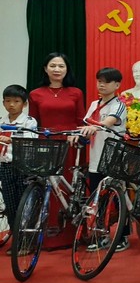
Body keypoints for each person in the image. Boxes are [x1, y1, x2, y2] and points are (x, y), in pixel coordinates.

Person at [28, 52, 85, 248]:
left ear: (67, 69)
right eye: (52, 66)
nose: (57, 69)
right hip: (46, 145)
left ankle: (71, 235)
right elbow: (33, 123)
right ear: (45, 69)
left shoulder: (76, 92)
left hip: (70, 144)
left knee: (68, 188)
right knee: (47, 187)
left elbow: (80, 120)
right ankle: (48, 236)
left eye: (61, 66)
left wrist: (76, 134)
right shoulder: (35, 94)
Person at [79, 68, 129, 251]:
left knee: (117, 198)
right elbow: (85, 124)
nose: (101, 85)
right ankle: (102, 235)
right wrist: (78, 134)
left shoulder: (119, 105)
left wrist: (96, 127)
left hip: (113, 158)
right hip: (95, 158)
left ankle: (123, 236)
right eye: (99, 81)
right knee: (98, 200)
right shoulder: (94, 104)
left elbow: (109, 121)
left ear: (117, 85)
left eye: (106, 82)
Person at [0, 85, 38, 247]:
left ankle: (27, 240)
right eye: (8, 101)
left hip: (23, 166)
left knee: (25, 204)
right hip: (5, 165)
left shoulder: (29, 121)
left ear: (24, 104)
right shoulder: (1, 122)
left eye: (16, 101)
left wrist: (11, 139)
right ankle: (17, 239)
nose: (12, 105)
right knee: (10, 203)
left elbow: (31, 140)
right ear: (3, 103)